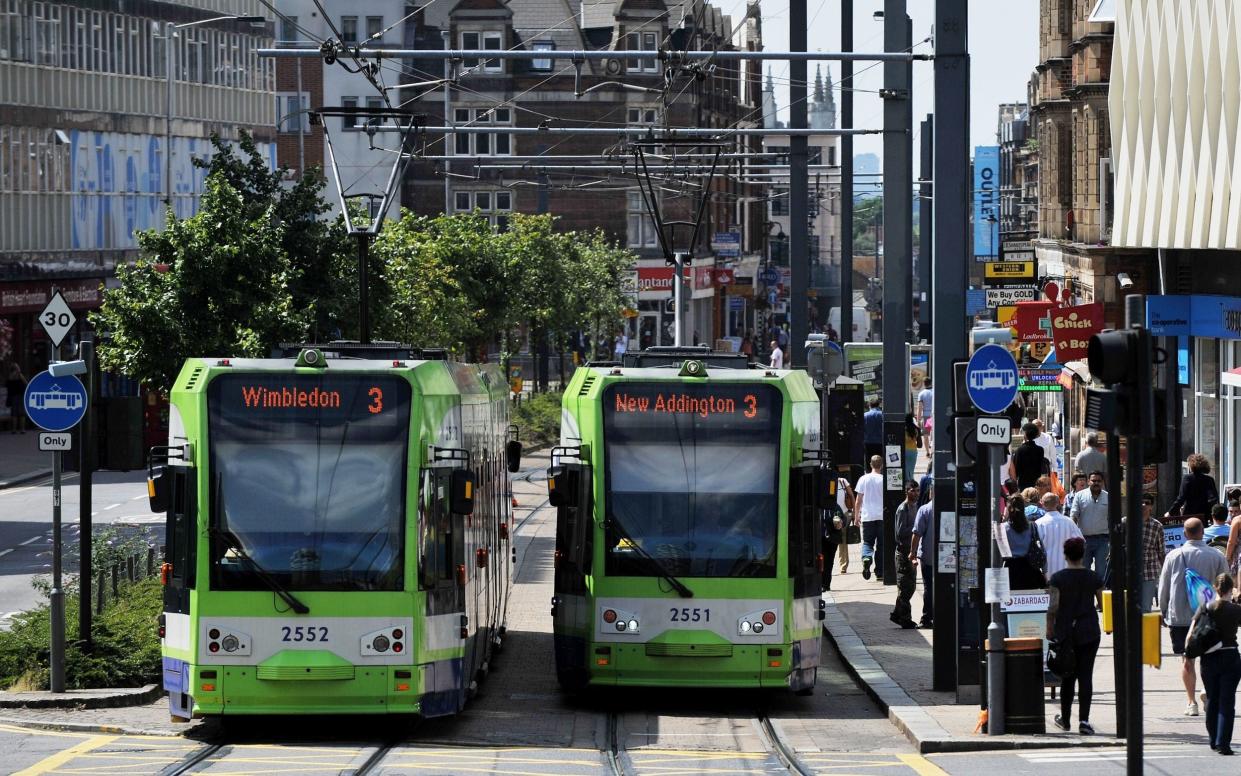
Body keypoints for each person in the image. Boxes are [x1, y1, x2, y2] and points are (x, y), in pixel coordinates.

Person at [1158, 517, 1229, 716]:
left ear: (1185, 533)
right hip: (1209, 615)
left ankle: (1191, 703)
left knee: (1187, 659)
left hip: (1180, 616)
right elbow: (1225, 586)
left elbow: (1163, 586)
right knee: (1209, 657)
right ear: (1202, 532)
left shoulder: (1173, 555)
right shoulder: (1216, 556)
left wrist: (1163, 610)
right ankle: (1206, 690)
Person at [1047, 536, 1104, 735]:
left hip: (1065, 632)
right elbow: (1103, 603)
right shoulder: (1094, 577)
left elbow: (1053, 607)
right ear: (1083, 554)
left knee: (1067, 677)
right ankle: (1085, 721)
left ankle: (1065, 718)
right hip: (1089, 631)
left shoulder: (1057, 578)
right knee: (1086, 675)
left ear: (1065, 555)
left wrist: (1049, 628)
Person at [1194, 572, 1241, 755]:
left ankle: (1213, 738)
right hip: (1230, 656)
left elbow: (1193, 632)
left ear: (1215, 588)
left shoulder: (1205, 607)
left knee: (1212, 700)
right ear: (1231, 589)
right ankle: (1223, 742)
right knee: (1227, 702)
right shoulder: (1235, 610)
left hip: (1209, 658)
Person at [891, 481, 921, 628]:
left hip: (911, 552)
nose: (915, 493)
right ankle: (905, 619)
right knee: (905, 587)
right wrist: (916, 528)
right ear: (906, 492)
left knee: (911, 586)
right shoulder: (903, 509)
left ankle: (897, 614)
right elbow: (900, 534)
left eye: (917, 490)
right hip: (903, 553)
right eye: (912, 491)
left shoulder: (915, 507)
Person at [1068, 472, 1110, 576]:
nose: (1096, 483)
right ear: (1088, 482)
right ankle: (1086, 592)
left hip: (1103, 540)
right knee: (1083, 570)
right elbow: (1074, 516)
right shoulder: (1079, 496)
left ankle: (1100, 592)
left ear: (1102, 482)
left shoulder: (1108, 497)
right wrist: (1073, 536)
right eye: (1093, 480)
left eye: (1098, 481)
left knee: (1101, 571)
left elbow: (1113, 518)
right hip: (1083, 539)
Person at [1036, 493, 1084, 578]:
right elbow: (1080, 541)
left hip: (1047, 568)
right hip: (1066, 567)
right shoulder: (1069, 522)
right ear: (1058, 503)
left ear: (1042, 504)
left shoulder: (1039, 524)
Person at [854, 456, 886, 581]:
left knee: (868, 543)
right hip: (882, 516)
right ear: (882, 465)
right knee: (881, 545)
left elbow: (858, 500)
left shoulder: (863, 479)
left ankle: (867, 557)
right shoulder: (883, 480)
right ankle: (880, 572)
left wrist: (856, 517)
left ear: (870, 465)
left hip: (867, 517)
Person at [1134, 493, 1167, 613]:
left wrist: (1165, 572)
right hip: (1130, 572)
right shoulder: (1126, 522)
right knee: (1130, 608)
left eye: (1147, 503)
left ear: (1151, 507)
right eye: (1141, 502)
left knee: (1146, 609)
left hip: (1149, 571)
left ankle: (1144, 632)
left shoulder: (1157, 526)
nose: (1143, 505)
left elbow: (1161, 552)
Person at [1004, 497, 1047, 589]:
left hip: (1010, 570)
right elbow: (1040, 548)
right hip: (1029, 569)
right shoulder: (1032, 526)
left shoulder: (1003, 528)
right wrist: (1045, 572)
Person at [910, 487, 935, 628]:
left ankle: (927, 618)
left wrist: (912, 552)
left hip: (928, 556)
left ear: (931, 493)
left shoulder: (924, 510)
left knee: (928, 587)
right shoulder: (952, 508)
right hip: (949, 558)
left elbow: (917, 533)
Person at [1168, 453, 1220, 519]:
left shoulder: (1187, 478)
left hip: (1189, 515)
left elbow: (1181, 498)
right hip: (1204, 516)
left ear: (1191, 465)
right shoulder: (1209, 480)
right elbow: (1214, 499)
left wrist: (1170, 512)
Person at [1010, 423, 1048, 489]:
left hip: (1023, 484)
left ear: (1025, 434)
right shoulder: (1040, 450)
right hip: (1036, 484)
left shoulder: (1020, 450)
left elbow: (1016, 469)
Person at [835, 474, 855, 575]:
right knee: (835, 539)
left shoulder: (843, 481)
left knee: (842, 540)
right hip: (832, 513)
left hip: (845, 514)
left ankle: (843, 565)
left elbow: (851, 495)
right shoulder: (827, 481)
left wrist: (855, 513)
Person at [5, 362, 26, 434]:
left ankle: (14, 430)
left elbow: (7, 385)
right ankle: (22, 429)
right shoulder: (20, 375)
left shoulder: (10, 376)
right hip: (20, 395)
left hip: (13, 396)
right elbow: (26, 383)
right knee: (22, 413)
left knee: (14, 413)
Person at [863, 398, 883, 464]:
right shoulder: (883, 415)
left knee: (869, 461)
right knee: (880, 462)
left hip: (868, 442)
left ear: (869, 405)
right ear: (879, 405)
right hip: (881, 442)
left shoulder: (865, 415)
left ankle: (870, 473)